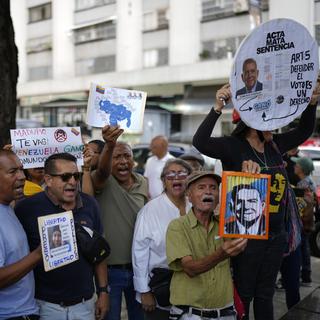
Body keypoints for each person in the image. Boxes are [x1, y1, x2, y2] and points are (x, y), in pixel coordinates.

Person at [193, 82, 320, 320]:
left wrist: (312, 104)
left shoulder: (274, 145)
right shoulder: (232, 146)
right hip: (246, 236)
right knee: (245, 293)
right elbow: (200, 142)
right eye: (270, 120)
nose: (275, 126)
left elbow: (303, 132)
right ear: (253, 122)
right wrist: (217, 107)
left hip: (276, 235)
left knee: (265, 294)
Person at [15, 153, 109, 320]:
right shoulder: (26, 209)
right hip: (45, 306)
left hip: (85, 305)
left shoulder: (90, 204)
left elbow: (99, 253)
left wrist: (102, 291)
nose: (73, 182)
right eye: (65, 177)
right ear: (48, 180)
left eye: (76, 176)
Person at [166, 171, 247, 320]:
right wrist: (221, 254)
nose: (208, 191)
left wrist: (248, 177)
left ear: (218, 198)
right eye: (201, 187)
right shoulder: (177, 226)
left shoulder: (227, 224)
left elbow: (247, 231)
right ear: (189, 196)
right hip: (189, 315)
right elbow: (189, 268)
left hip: (225, 312)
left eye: (213, 188)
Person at [91, 125, 148, 320]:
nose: (123, 161)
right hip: (110, 272)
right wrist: (109, 145)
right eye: (117, 157)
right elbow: (102, 171)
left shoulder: (143, 182)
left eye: (127, 156)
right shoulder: (101, 181)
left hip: (140, 271)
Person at [132, 159, 192, 320]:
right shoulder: (150, 211)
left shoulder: (196, 207)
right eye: (170, 175)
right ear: (164, 181)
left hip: (193, 291)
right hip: (161, 289)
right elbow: (139, 252)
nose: (176, 179)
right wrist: (144, 291)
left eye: (182, 174)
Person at [0, 149, 42, 320]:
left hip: (26, 311)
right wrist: (40, 253)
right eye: (13, 171)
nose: (22, 176)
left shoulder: (8, 208)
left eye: (21, 169)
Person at [293, 156, 316, 287]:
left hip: (303, 221)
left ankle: (305, 276)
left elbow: (300, 205)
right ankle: (306, 275)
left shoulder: (303, 185)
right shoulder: (309, 181)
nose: (295, 167)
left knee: (301, 248)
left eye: (297, 165)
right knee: (304, 247)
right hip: (308, 221)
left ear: (302, 169)